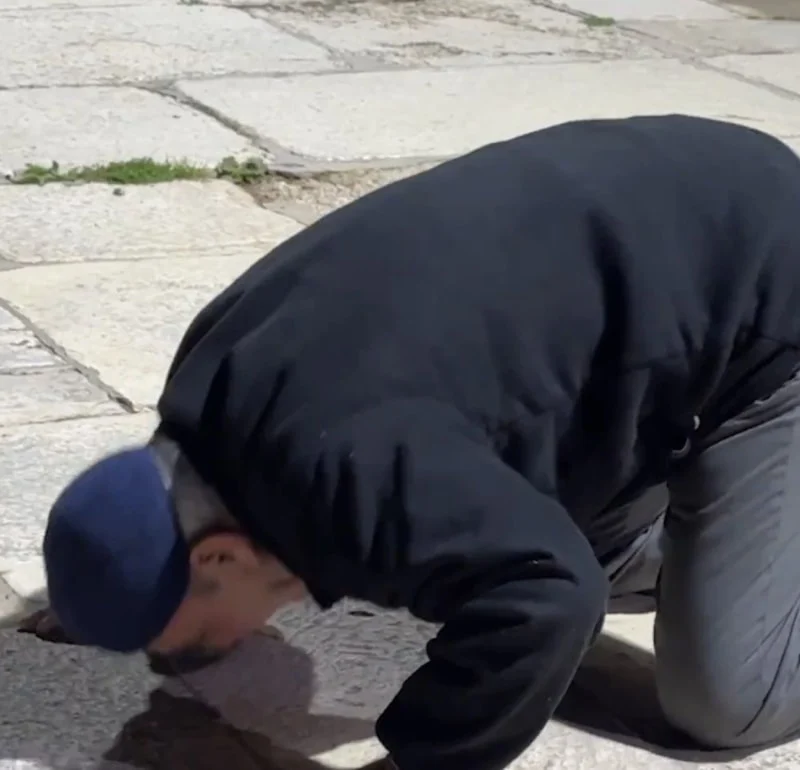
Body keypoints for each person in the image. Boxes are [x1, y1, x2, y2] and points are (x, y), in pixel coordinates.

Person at [35, 113, 800, 770]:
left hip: (770, 299)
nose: (178, 661)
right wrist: (106, 594)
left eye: (190, 643)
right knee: (495, 563)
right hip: (672, 236)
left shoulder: (352, 467)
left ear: (220, 557)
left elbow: (549, 594)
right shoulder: (211, 387)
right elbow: (143, 525)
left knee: (727, 700)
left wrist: (423, 758)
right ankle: (748, 555)